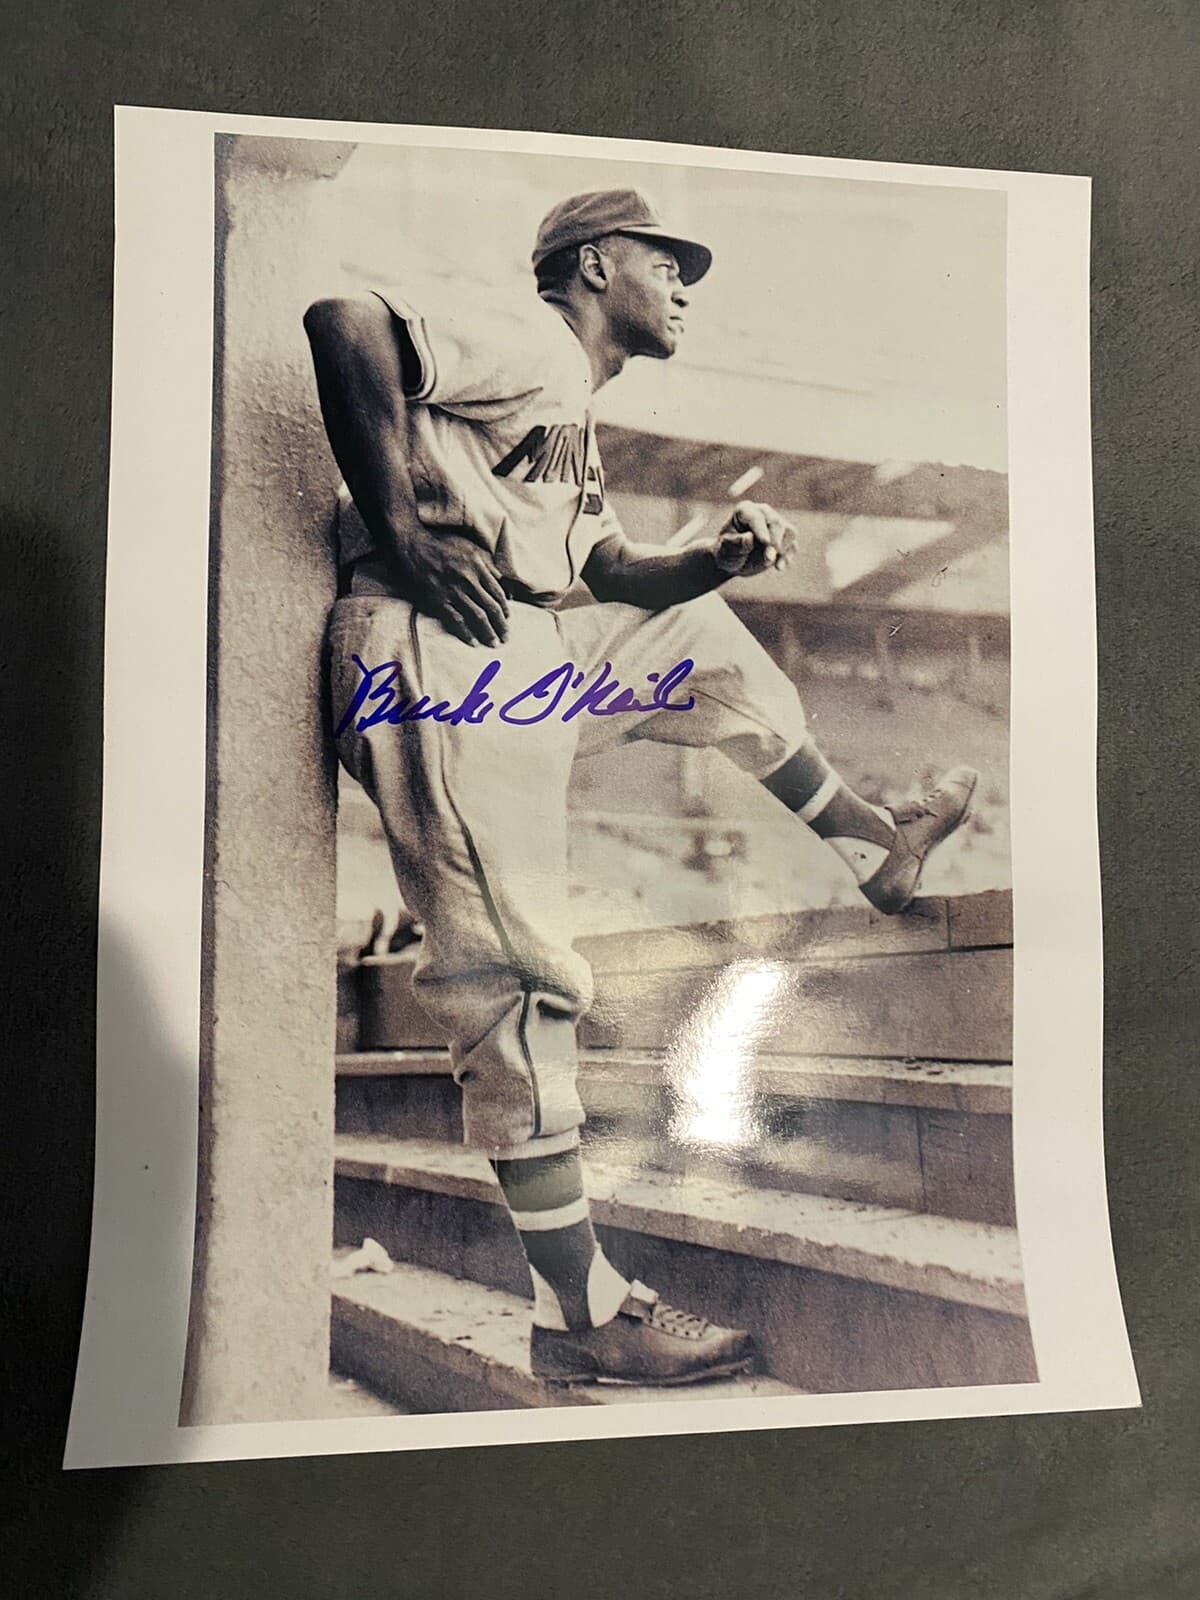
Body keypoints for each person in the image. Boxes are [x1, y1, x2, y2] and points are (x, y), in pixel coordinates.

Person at [304, 188, 977, 1388]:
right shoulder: (524, 341)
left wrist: (705, 558)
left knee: (698, 637)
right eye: (668, 263)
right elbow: (346, 320)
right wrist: (404, 526)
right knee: (516, 972)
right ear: (596, 263)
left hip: (519, 644)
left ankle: (873, 845)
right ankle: (581, 1307)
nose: (685, 286)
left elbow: (609, 567)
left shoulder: (571, 409)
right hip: (434, 646)